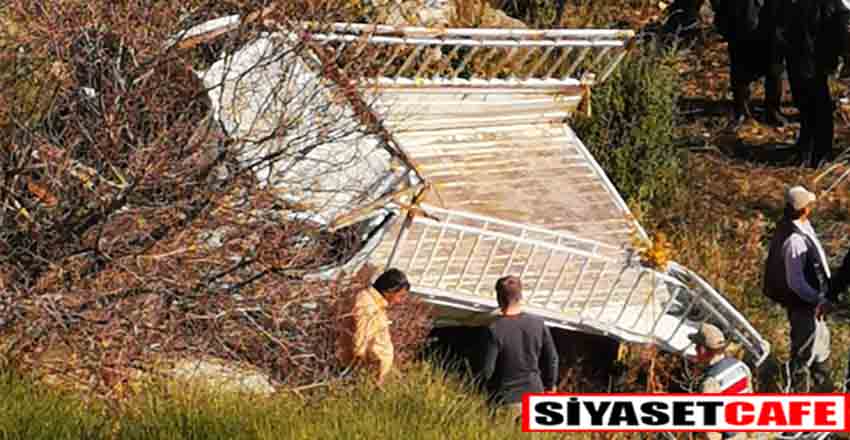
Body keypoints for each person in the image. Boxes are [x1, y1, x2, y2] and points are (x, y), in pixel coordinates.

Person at [763, 185, 833, 391]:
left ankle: (824, 389)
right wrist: (818, 299)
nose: (812, 206)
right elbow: (796, 282)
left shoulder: (801, 226)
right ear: (804, 209)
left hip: (812, 304)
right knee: (803, 353)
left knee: (821, 346)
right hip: (804, 306)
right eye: (809, 204)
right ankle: (800, 394)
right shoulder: (794, 240)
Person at [778, 0, 850, 167]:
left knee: (818, 105)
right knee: (803, 102)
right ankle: (805, 145)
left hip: (816, 59)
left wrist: (842, 55)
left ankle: (821, 152)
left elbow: (842, 20)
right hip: (796, 53)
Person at [481, 275, 559, 421]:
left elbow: (487, 370)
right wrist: (550, 386)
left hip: (505, 399)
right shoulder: (538, 323)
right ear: (521, 295)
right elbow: (552, 358)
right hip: (535, 396)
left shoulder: (494, 329)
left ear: (499, 298)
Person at [710, 0, 786, 127]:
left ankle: (773, 110)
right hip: (740, 19)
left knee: (774, 68)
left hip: (772, 20)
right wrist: (722, 16)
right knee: (739, 67)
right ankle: (741, 110)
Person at [338, 268, 410, 386]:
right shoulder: (366, 303)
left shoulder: (375, 303)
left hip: (374, 375)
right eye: (400, 296)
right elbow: (359, 339)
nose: (400, 301)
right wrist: (359, 370)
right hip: (365, 375)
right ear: (390, 290)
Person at [689, 323, 753, 440]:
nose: (695, 350)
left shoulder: (711, 382)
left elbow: (710, 431)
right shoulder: (741, 366)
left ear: (703, 350)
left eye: (697, 347)